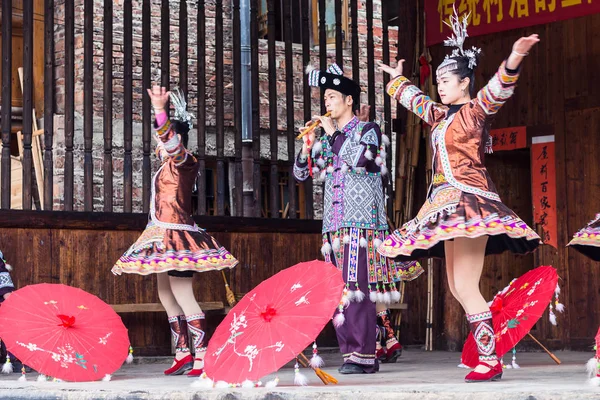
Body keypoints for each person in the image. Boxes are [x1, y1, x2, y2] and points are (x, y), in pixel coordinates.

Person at [377, 11, 541, 382]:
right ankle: (486, 355)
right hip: (442, 206)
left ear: (465, 83)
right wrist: (397, 79)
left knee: (466, 285)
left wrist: (514, 57)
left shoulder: (474, 112)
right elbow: (415, 100)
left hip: (470, 203)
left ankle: (490, 358)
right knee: (455, 285)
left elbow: (498, 90)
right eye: (438, 82)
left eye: (446, 81)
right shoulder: (439, 115)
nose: (440, 87)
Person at [294, 63, 422, 374]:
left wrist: (332, 132)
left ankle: (364, 354)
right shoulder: (325, 137)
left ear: (349, 100)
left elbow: (363, 161)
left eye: (333, 96)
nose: (327, 103)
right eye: (325, 98)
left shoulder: (369, 130)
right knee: (337, 293)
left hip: (361, 224)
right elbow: (301, 176)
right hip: (334, 226)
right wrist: (305, 149)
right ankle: (350, 353)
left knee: (358, 290)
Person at [111, 87, 238, 377]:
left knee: (182, 292)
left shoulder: (184, 162)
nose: (160, 144)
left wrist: (159, 110)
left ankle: (202, 355)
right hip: (159, 234)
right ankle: (182, 351)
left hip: (178, 236)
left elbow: (170, 143)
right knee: (165, 292)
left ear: (176, 139)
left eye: (163, 138)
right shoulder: (167, 166)